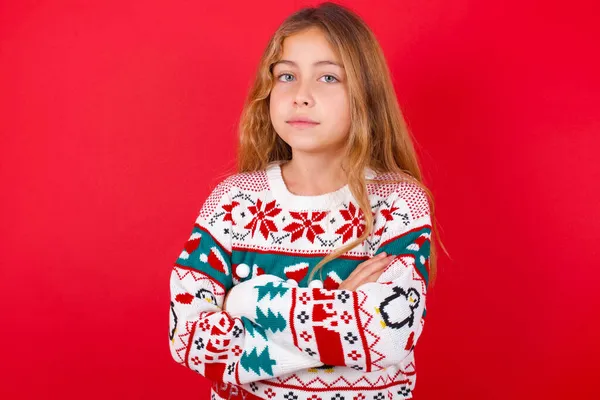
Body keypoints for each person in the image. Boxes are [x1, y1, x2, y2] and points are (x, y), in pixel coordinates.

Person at [169, 2, 445, 399]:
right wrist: (341, 309)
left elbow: (384, 334)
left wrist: (245, 301)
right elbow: (188, 337)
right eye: (287, 76)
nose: (301, 95)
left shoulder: (398, 204)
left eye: (328, 77)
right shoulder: (232, 202)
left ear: (366, 94)